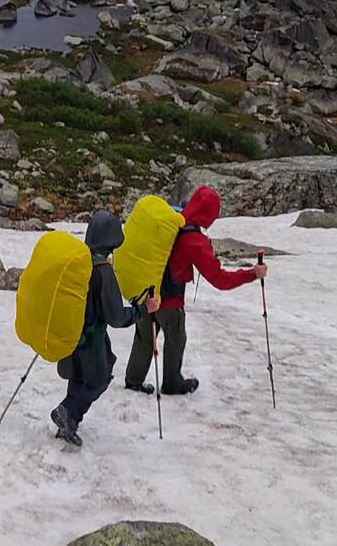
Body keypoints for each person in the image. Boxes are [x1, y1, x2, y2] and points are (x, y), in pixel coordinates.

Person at [124, 185, 267, 396]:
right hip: (170, 300)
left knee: (145, 337)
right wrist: (253, 274)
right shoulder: (194, 240)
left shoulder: (172, 218)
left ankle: (133, 380)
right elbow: (220, 280)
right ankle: (172, 383)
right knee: (176, 339)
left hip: (146, 292)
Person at [51, 210, 160, 448]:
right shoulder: (104, 271)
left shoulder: (78, 260)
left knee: (78, 377)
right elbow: (116, 317)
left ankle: (68, 423)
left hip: (72, 334)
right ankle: (66, 410)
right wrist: (142, 309)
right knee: (99, 380)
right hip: (93, 339)